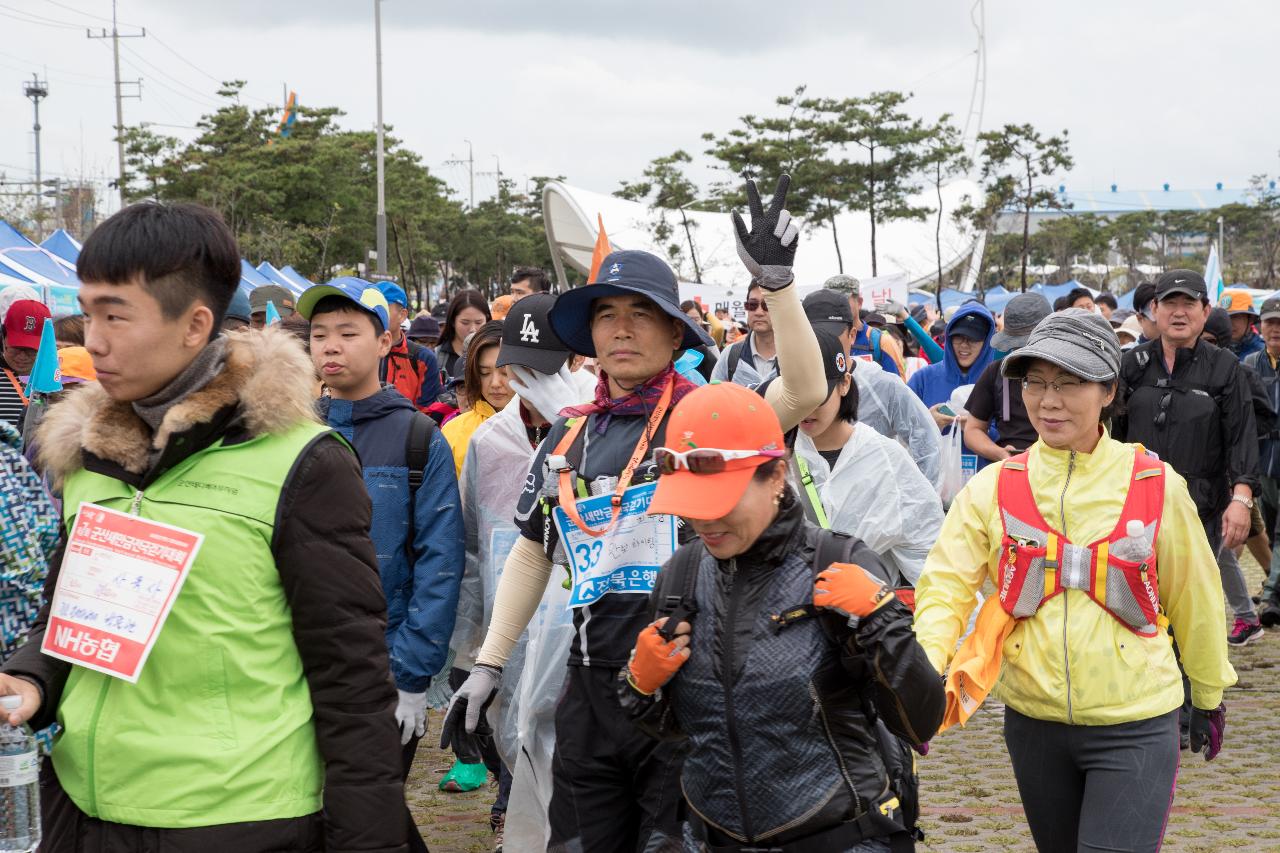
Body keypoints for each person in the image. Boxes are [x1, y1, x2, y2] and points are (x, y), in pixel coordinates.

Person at [0, 202, 406, 852]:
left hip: (236, 820)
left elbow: (352, 679)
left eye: (115, 314)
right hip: (82, 810)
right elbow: (70, 615)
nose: (90, 337)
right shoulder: (89, 456)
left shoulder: (300, 461)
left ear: (195, 323)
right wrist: (31, 677)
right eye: (86, 311)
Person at [443, 176, 827, 853]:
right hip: (590, 690)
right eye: (606, 313)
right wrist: (490, 663)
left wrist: (779, 285)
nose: (621, 328)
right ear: (588, 333)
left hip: (695, 686)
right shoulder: (568, 433)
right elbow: (537, 547)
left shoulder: (706, 414)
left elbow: (803, 389)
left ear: (675, 331)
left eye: (640, 313)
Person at [914, 309, 1236, 853]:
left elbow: (1196, 598)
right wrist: (920, 682)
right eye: (1036, 383)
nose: (1049, 401)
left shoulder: (1157, 485)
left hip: (1136, 723)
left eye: (1070, 383)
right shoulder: (991, 489)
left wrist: (1206, 693)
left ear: (1109, 390)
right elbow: (945, 589)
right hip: (1032, 724)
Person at [619, 381, 944, 852]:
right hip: (713, 837)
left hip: (841, 839)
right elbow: (689, 729)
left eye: (722, 504)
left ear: (775, 476)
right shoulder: (681, 575)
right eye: (692, 506)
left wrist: (883, 619)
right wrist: (638, 686)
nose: (706, 523)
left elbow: (920, 721)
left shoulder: (837, 562)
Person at [299, 278, 462, 851]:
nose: (330, 347)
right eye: (319, 335)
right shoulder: (288, 430)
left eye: (348, 332)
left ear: (386, 341)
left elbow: (441, 563)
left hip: (384, 667)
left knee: (367, 809)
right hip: (297, 668)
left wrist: (412, 677)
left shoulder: (419, 438)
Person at [448, 294, 593, 846]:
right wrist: (478, 657)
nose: (519, 381)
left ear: (575, 363)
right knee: (524, 758)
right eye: (514, 367)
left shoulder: (609, 430)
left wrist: (576, 433)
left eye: (541, 368)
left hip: (594, 646)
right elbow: (482, 550)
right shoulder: (492, 441)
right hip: (514, 634)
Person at [1114, 270, 1261, 645]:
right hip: (1135, 504)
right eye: (1170, 303)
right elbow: (1110, 433)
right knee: (1137, 602)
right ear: (1155, 308)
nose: (1179, 313)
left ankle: (1195, 697)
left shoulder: (1225, 367)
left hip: (1202, 505)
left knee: (1190, 605)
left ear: (1205, 310)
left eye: (1188, 304)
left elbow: (1242, 435)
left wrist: (1241, 500)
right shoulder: (1132, 364)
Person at [791, 329, 943, 587]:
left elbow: (932, 555)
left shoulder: (884, 459)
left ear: (844, 383)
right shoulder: (777, 456)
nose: (806, 407)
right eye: (796, 393)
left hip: (863, 615)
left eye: (817, 395)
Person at [804, 289, 941, 485]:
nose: (825, 344)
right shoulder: (782, 386)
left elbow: (926, 441)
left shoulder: (882, 385)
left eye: (833, 336)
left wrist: (912, 502)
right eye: (815, 335)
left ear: (852, 335)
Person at [964, 293, 1052, 462]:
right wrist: (999, 453)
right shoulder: (995, 372)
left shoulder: (1070, 373)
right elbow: (972, 430)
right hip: (1012, 466)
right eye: (1016, 345)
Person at [906, 300, 995, 435]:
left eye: (973, 338)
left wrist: (980, 430)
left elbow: (1013, 438)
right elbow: (900, 430)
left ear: (987, 342)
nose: (964, 345)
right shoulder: (923, 379)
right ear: (948, 337)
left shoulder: (1001, 382)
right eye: (958, 337)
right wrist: (927, 423)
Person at [1245, 296, 1280, 626]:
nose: (1275, 329)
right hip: (1262, 460)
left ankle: (1270, 595)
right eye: (1270, 322)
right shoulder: (1252, 364)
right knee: (1269, 529)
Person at [441, 321, 512, 474]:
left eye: (505, 372)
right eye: (485, 373)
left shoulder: (542, 425)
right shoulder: (452, 432)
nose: (495, 384)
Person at [374, 281, 443, 414]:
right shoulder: (359, 352)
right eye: (371, 308)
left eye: (382, 308)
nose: (375, 314)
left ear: (402, 315)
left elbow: (426, 412)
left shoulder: (423, 358)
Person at [823, 274, 905, 375]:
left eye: (842, 301)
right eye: (831, 302)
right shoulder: (820, 342)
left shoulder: (881, 342)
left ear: (859, 302)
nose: (836, 306)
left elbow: (897, 388)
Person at [711, 278, 778, 388]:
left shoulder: (796, 357)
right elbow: (714, 397)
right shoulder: (730, 354)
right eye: (752, 304)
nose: (759, 312)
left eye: (767, 305)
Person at [1, 299, 52, 429]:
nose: (22, 356)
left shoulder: (58, 380)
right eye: (16, 347)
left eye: (31, 350)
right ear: (3, 337)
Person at [437, 289, 491, 383]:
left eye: (479, 322)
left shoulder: (497, 354)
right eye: (465, 322)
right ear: (453, 321)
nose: (473, 329)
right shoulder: (437, 357)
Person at [1221, 289, 1264, 361]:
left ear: (1251, 319)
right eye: (1224, 317)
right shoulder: (1214, 349)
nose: (1228, 322)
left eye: (1235, 317)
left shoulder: (1263, 354)